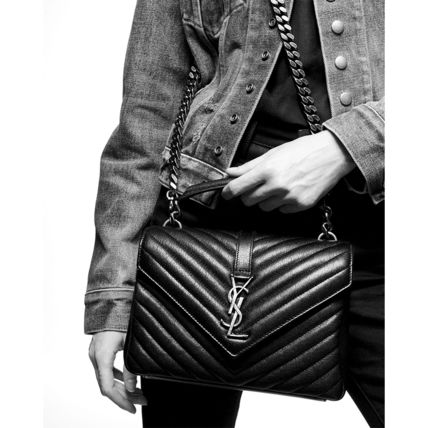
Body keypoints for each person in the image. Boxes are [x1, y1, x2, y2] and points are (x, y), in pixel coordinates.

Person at [85, 1, 384, 427]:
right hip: (198, 245)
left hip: (372, 227)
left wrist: (346, 145)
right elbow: (146, 121)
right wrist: (116, 294)